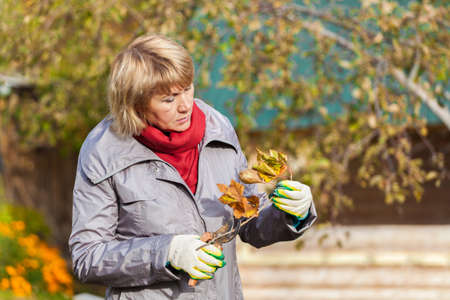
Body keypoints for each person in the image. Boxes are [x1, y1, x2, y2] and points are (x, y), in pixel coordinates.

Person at [69, 34, 317, 300]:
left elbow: (250, 222)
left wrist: (290, 214)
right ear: (136, 103)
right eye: (169, 99)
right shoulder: (104, 151)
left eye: (187, 88)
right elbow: (87, 257)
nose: (186, 105)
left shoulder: (217, 127)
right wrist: (167, 253)